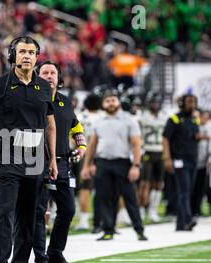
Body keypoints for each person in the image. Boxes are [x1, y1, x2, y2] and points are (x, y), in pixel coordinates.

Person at [0, 36, 58, 263]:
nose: (27, 56)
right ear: (12, 55)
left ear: (37, 57)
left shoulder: (44, 88)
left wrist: (53, 158)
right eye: (22, 51)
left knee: (28, 219)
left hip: (35, 160)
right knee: (3, 212)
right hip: (4, 156)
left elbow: (50, 126)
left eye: (32, 52)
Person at [33, 61, 87, 263]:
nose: (49, 75)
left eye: (52, 72)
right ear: (37, 77)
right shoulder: (33, 100)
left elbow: (76, 126)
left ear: (58, 77)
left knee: (68, 209)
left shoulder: (65, 102)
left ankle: (55, 251)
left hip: (63, 163)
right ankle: (40, 260)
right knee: (40, 212)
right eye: (44, 72)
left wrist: (82, 145)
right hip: (38, 162)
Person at [81, 90, 147, 241]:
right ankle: (108, 230)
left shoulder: (129, 119)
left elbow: (136, 144)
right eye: (107, 101)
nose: (110, 103)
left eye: (113, 100)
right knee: (103, 197)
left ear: (118, 102)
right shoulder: (99, 120)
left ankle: (139, 230)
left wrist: (136, 165)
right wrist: (87, 165)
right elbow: (92, 144)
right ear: (103, 104)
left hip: (123, 163)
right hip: (103, 162)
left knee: (129, 197)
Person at [162, 94, 202, 231]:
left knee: (187, 191)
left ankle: (181, 224)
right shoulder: (174, 119)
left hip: (193, 159)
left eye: (194, 102)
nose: (192, 105)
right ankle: (188, 219)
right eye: (189, 102)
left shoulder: (194, 120)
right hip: (179, 159)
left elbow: (195, 136)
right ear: (182, 103)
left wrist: (201, 137)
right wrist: (167, 158)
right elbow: (165, 138)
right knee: (183, 191)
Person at [74, 93, 103, 232]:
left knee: (84, 188)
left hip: (84, 154)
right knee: (101, 189)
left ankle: (84, 219)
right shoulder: (103, 117)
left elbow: (73, 137)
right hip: (102, 156)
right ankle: (102, 218)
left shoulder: (80, 117)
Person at [138, 93, 168, 223]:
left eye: (157, 102)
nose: (155, 105)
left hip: (160, 152)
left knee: (158, 184)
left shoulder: (164, 116)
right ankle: (140, 209)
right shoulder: (142, 117)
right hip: (147, 151)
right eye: (153, 102)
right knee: (144, 183)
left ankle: (152, 210)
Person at [191, 110, 211, 217]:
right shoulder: (195, 126)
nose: (205, 119)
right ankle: (192, 210)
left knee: (202, 188)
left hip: (204, 163)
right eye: (203, 117)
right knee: (193, 187)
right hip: (194, 162)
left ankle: (197, 209)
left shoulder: (209, 127)